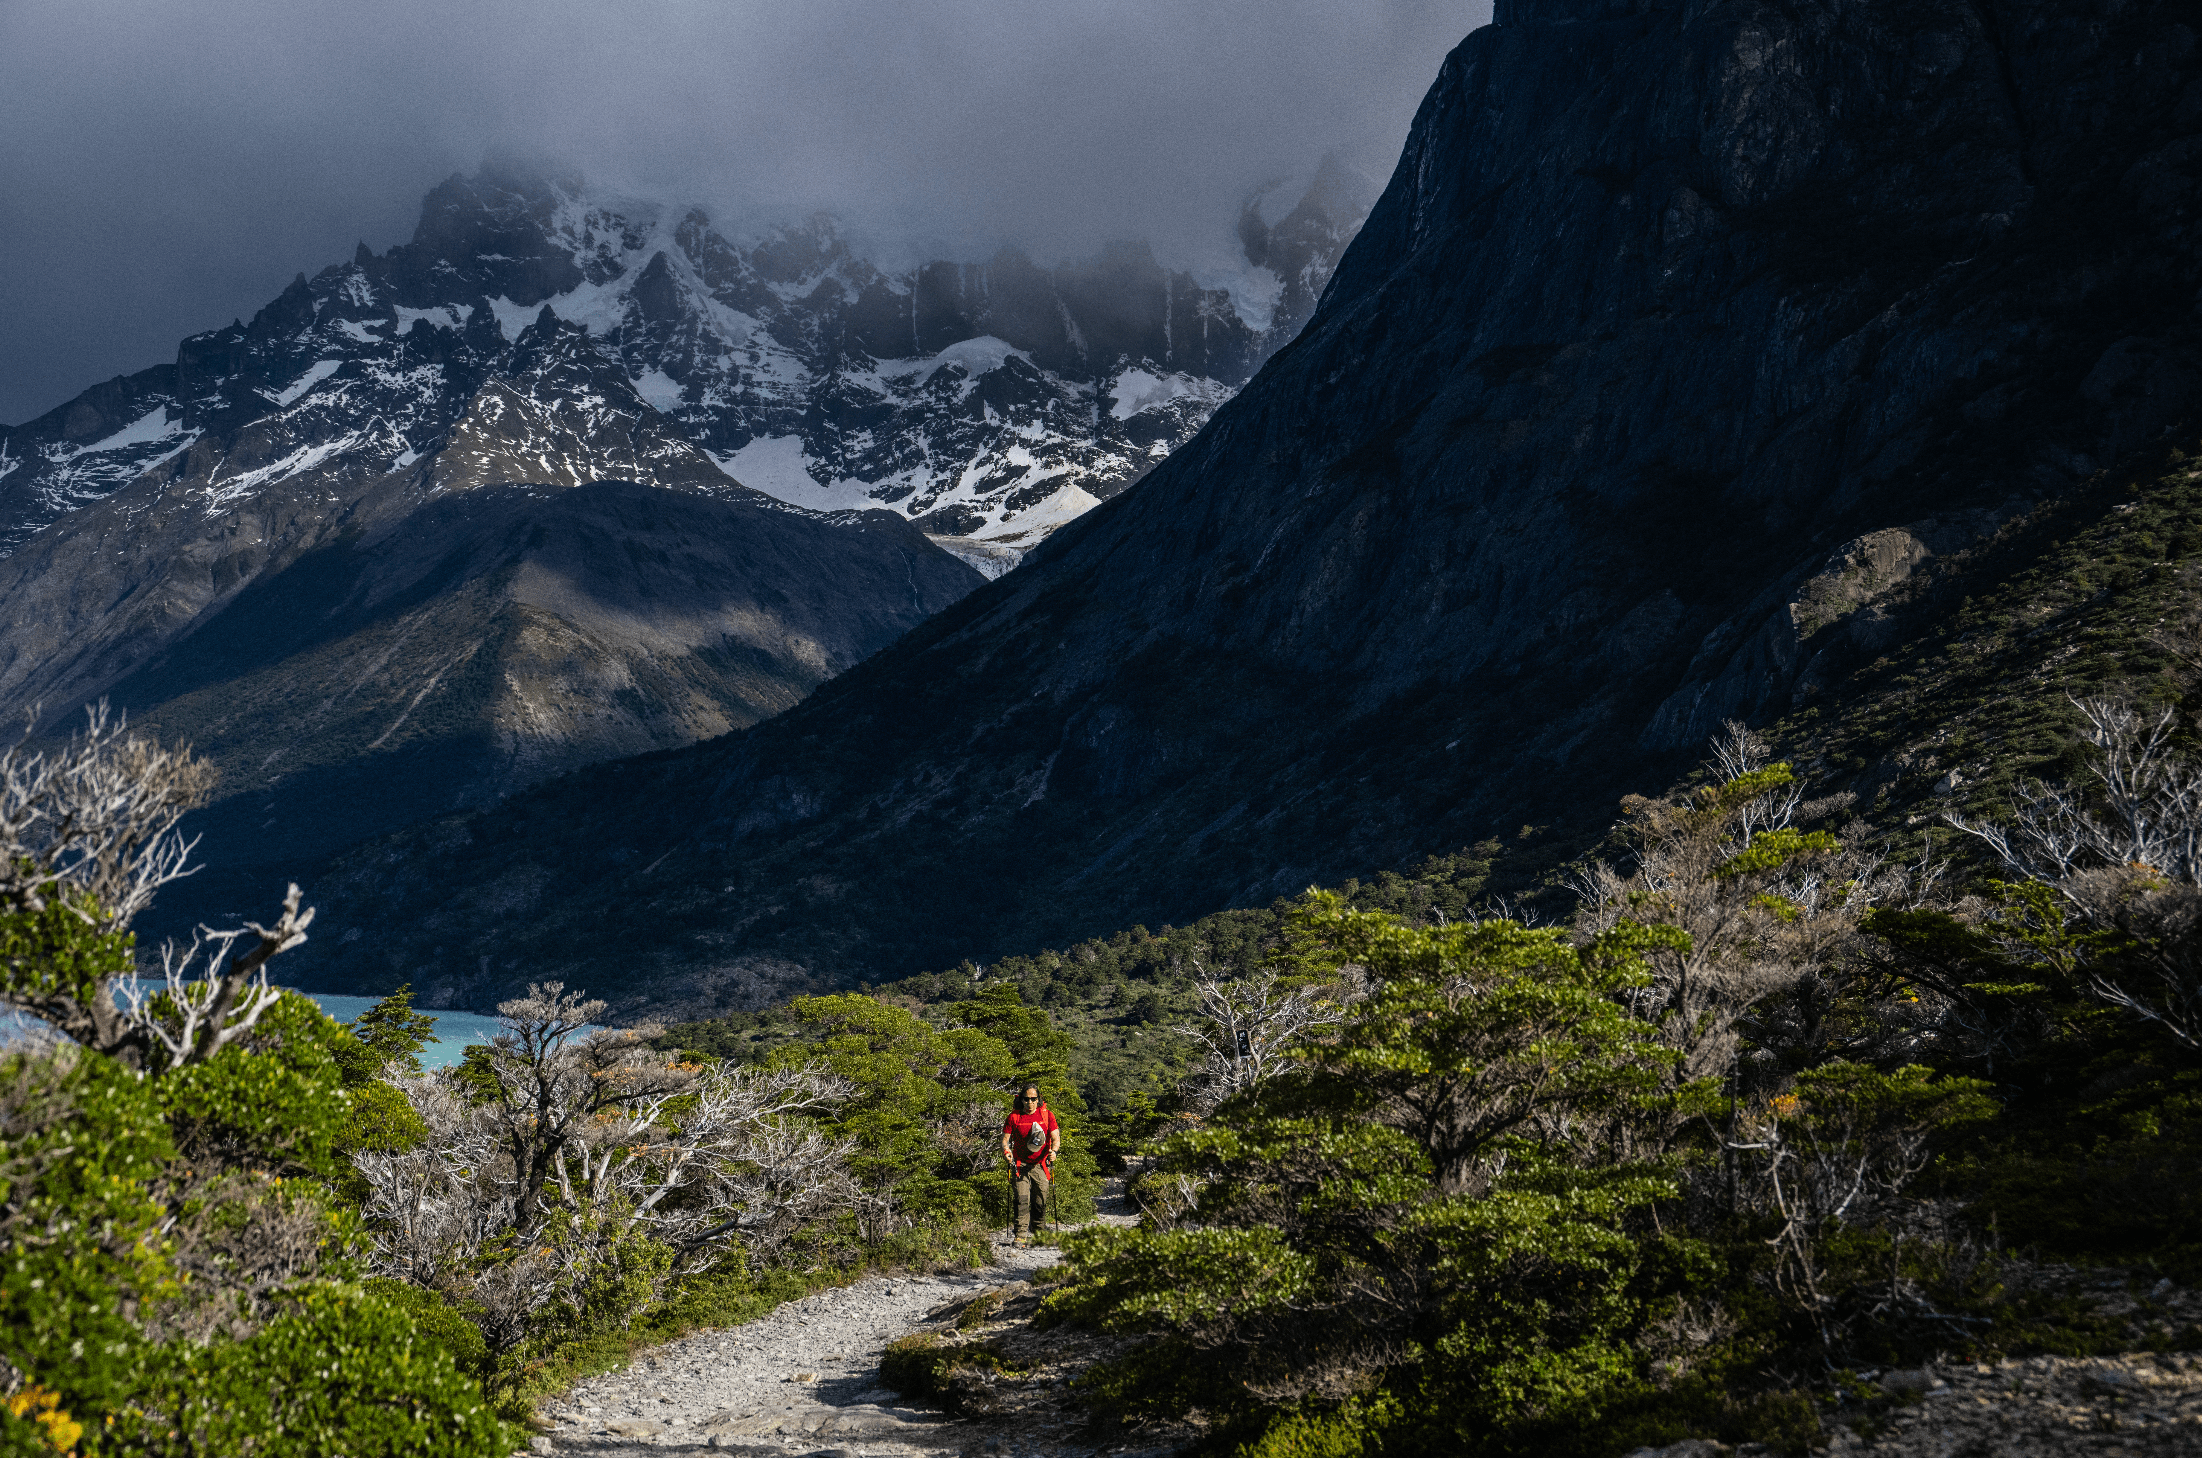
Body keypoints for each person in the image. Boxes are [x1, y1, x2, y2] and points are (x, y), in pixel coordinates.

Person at [1000, 1082, 1060, 1247]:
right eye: (1026, 1099)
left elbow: (1055, 1138)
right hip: (1020, 1165)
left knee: (1040, 1200)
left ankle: (1039, 1231)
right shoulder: (1014, 1117)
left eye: (1033, 1099)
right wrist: (1007, 1152)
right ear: (1021, 1100)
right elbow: (1005, 1140)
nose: (1030, 1103)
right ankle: (1020, 1235)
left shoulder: (1047, 1115)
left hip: (1040, 1165)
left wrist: (1053, 1151)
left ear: (1039, 1099)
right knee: (1022, 1199)